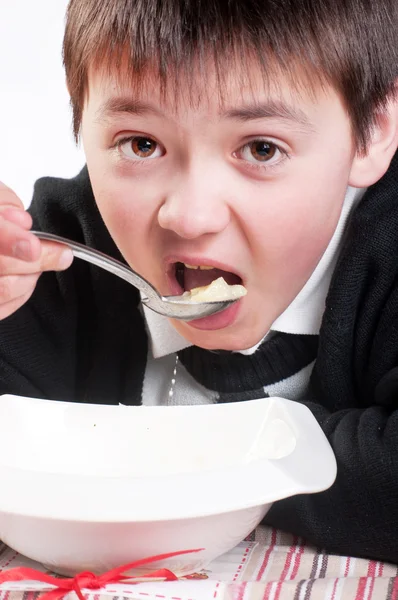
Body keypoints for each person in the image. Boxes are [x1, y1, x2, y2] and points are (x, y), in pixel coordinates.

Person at [0, 0, 398, 563]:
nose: (188, 216)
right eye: (141, 144)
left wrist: (226, 461)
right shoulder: (59, 254)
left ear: (373, 131)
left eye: (262, 149)